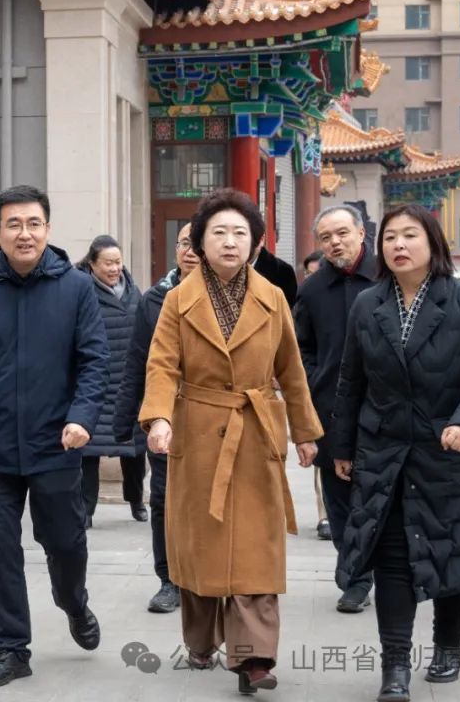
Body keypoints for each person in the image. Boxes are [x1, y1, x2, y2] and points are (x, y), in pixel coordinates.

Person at [139, 188, 321, 695]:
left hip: (257, 433)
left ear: (256, 243)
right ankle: (201, 639)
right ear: (199, 242)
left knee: (255, 551)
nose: (229, 241)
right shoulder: (178, 300)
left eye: (240, 233)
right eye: (218, 232)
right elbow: (161, 365)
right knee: (203, 548)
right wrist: (158, 418)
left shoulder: (273, 297)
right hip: (197, 433)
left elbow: (291, 369)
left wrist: (305, 433)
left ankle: (253, 657)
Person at [331, 204, 460, 701]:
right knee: (391, 556)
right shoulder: (368, 304)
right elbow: (351, 380)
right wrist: (342, 445)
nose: (398, 245)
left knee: (451, 549)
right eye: (389, 237)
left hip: (448, 450)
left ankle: (448, 644)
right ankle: (394, 667)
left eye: (410, 235)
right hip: (384, 451)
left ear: (433, 243)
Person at [0, 185, 109, 689]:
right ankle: (12, 649)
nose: (24, 233)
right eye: (13, 224)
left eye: (33, 223)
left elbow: (95, 361)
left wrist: (82, 417)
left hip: (56, 443)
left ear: (48, 229)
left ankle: (73, 602)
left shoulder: (76, 288)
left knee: (65, 542)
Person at [293, 204, 378, 613]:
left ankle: (387, 571)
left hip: (384, 407)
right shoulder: (312, 289)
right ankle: (355, 577)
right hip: (331, 409)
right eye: (325, 238)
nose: (335, 243)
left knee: (379, 497)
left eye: (342, 233)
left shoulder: (387, 277)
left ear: (361, 233)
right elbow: (300, 347)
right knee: (340, 500)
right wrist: (316, 379)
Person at [114, 219, 199, 614]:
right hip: (165, 416)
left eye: (197, 243)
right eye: (183, 243)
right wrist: (123, 418)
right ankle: (169, 579)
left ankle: (205, 575)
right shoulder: (154, 299)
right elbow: (138, 361)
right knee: (163, 498)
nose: (190, 251)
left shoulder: (228, 295)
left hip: (212, 418)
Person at [76, 235, 147, 526]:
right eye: (108, 263)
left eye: (118, 262)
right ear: (92, 264)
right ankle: (86, 510)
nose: (114, 268)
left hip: (128, 381)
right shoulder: (82, 291)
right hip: (96, 381)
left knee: (134, 450)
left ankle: (136, 501)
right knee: (89, 452)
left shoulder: (133, 290)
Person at [252, 239, 298, 307]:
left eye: (241, 234)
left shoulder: (284, 271)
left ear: (261, 240)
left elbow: (288, 309)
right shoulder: (235, 268)